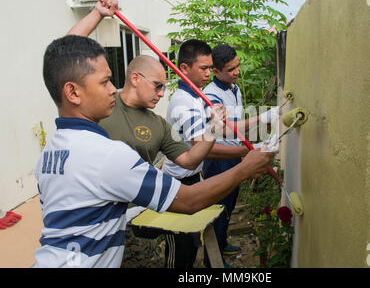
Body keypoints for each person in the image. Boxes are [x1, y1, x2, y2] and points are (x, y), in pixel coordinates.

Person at [33, 33, 274, 268]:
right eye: (105, 81)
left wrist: (212, 131)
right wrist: (245, 167)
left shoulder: (49, 154)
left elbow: (189, 159)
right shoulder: (108, 154)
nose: (112, 89)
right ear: (73, 92)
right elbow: (189, 201)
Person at [66, 0, 226, 268]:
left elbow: (189, 160)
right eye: (158, 86)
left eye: (164, 87)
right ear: (136, 78)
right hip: (90, 221)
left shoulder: (157, 124)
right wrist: (98, 14)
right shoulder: (103, 104)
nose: (162, 94)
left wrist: (212, 130)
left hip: (135, 218)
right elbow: (67, 54)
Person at [163, 41, 278, 268]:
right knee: (181, 248)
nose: (207, 74)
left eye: (209, 68)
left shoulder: (198, 97)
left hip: (194, 176)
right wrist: (248, 150)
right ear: (184, 68)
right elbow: (204, 149)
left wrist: (251, 127)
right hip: (178, 181)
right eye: (204, 68)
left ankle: (212, 255)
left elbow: (221, 128)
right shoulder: (185, 102)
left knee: (196, 235)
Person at [201, 44, 278, 267]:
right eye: (230, 69)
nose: (236, 72)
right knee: (218, 207)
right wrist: (262, 119)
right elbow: (223, 128)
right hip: (218, 159)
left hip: (233, 153)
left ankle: (223, 244)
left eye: (238, 66)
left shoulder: (233, 88)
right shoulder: (211, 96)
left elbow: (236, 123)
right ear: (216, 71)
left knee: (231, 202)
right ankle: (211, 261)